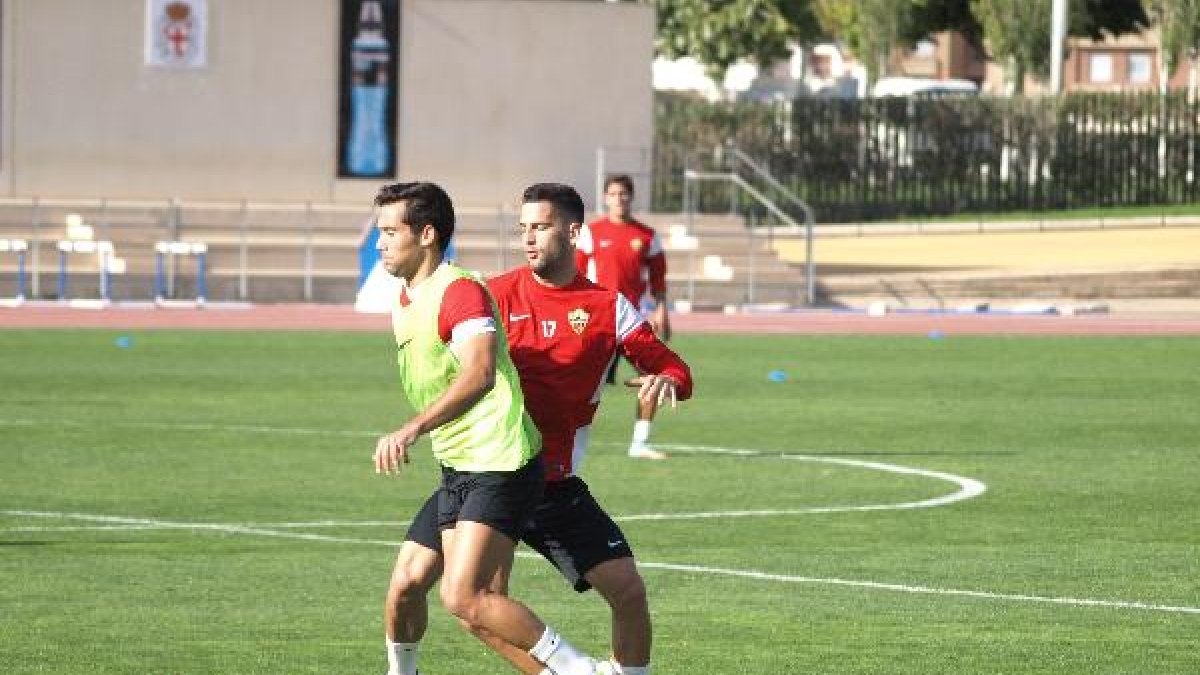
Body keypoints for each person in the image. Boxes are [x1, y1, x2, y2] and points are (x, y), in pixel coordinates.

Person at [384, 183, 693, 675]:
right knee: (447, 594)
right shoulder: (491, 293)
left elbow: (674, 367)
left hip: (553, 485)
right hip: (493, 469)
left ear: (573, 232)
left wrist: (666, 379)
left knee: (629, 592)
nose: (528, 239)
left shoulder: (607, 308)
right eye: (522, 228)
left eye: (540, 227)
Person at [371, 181, 608, 675]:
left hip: (499, 462)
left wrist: (411, 428)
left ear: (428, 234)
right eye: (380, 232)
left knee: (466, 597)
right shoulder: (405, 297)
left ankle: (582, 671)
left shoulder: (459, 292)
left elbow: (479, 374)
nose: (381, 242)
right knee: (407, 583)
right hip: (460, 464)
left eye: (391, 232)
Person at [575, 175, 672, 460]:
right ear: (605, 198)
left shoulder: (647, 236)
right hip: (598, 320)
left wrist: (661, 309)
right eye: (614, 194)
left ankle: (640, 443)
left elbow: (658, 278)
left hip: (634, 320)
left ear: (631, 197)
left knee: (653, 376)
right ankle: (563, 437)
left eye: (624, 194)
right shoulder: (590, 233)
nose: (619, 199)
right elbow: (577, 277)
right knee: (579, 383)